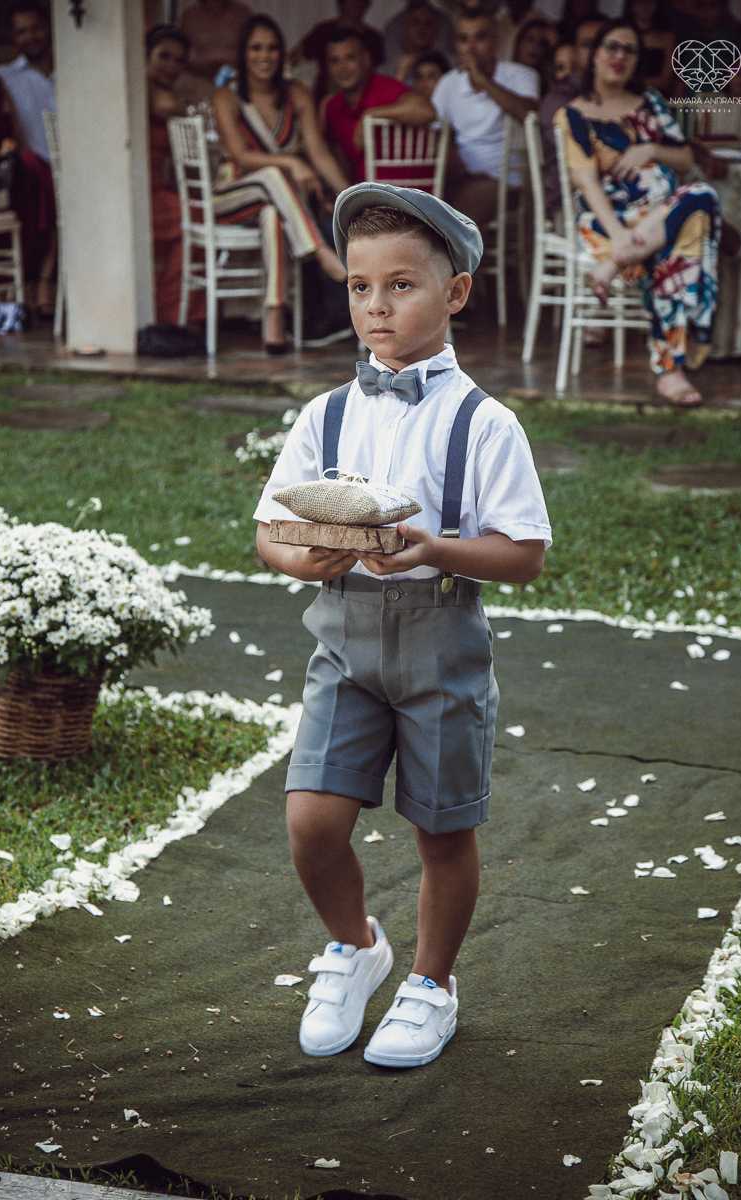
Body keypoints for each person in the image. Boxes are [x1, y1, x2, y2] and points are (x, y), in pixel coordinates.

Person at [253, 181, 551, 1069]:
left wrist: (436, 548)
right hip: (342, 644)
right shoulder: (326, 414)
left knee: (441, 829)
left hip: (440, 644)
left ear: (455, 291)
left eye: (402, 285)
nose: (377, 306)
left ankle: (431, 982)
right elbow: (272, 528)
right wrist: (299, 559)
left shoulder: (486, 425)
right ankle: (356, 945)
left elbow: (524, 553)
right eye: (359, 286)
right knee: (312, 821)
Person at [554, 20, 721, 405]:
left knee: (698, 199)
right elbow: (586, 183)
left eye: (630, 50)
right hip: (609, 221)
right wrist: (620, 238)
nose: (620, 56)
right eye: (612, 46)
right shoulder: (573, 115)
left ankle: (615, 267)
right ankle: (670, 369)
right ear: (594, 54)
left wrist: (650, 151)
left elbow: (684, 157)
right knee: (692, 218)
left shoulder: (651, 102)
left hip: (660, 214)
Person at [213, 15, 351, 353]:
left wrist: (350, 195)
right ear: (243, 54)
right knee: (274, 177)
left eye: (273, 48)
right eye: (256, 48)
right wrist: (291, 160)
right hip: (231, 198)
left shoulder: (297, 93)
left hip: (282, 206)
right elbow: (242, 156)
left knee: (274, 214)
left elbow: (318, 154)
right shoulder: (225, 97)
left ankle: (274, 317)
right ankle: (321, 252)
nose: (265, 56)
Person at [431, 8, 540, 226]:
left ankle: (459, 255)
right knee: (419, 206)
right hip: (462, 178)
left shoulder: (522, 75)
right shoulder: (448, 83)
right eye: (463, 39)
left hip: (507, 180)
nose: (470, 47)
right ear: (456, 45)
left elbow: (529, 114)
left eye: (479, 37)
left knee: (456, 221)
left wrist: (482, 80)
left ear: (497, 42)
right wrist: (450, 155)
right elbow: (434, 131)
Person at [0, 1, 56, 315]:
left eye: (35, 27)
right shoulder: (1, 77)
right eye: (21, 31)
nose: (31, 36)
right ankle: (40, 282)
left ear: (49, 26)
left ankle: (42, 283)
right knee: (37, 178)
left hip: (78, 170)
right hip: (29, 173)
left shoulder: (76, 68)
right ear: (13, 38)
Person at [146, 25, 208, 328]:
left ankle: (173, 310)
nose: (171, 66)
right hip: (139, 194)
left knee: (199, 211)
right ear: (145, 56)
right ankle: (174, 315)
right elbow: (165, 106)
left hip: (157, 191)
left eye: (178, 60)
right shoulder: (145, 88)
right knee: (200, 218)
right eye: (163, 56)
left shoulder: (166, 93)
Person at [322, 28, 437, 184]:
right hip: (364, 196)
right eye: (335, 60)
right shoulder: (332, 106)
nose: (342, 67)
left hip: (408, 195)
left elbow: (426, 111)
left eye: (350, 58)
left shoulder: (384, 87)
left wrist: (371, 114)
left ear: (366, 60)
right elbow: (337, 160)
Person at [539, 16, 604, 222]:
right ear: (574, 53)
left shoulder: (628, 97)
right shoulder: (559, 100)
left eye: (605, 44)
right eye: (587, 45)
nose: (597, 51)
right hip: (571, 208)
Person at [292, 0, 385, 104]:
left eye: (350, 57)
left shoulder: (373, 38)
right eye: (335, 60)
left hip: (363, 102)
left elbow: (379, 74)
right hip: (325, 98)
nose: (357, 3)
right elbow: (293, 57)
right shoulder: (323, 31)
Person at [179, 0, 252, 82]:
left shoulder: (242, 13)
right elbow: (180, 55)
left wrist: (231, 66)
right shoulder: (190, 15)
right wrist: (200, 68)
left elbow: (253, 49)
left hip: (237, 77)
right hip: (201, 78)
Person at [383, 0, 455, 80]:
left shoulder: (452, 64)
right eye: (415, 22)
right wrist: (400, 74)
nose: (422, 28)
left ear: (436, 30)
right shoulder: (386, 70)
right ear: (403, 28)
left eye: (428, 23)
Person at [623, 0, 675, 95]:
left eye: (650, 1)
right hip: (625, 95)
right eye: (639, 1)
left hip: (657, 96)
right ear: (631, 6)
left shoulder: (667, 37)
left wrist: (634, 83)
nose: (645, 5)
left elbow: (666, 80)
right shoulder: (622, 35)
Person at [513, 16, 557, 91]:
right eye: (531, 40)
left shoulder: (550, 86)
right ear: (519, 43)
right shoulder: (502, 74)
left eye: (542, 43)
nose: (535, 47)